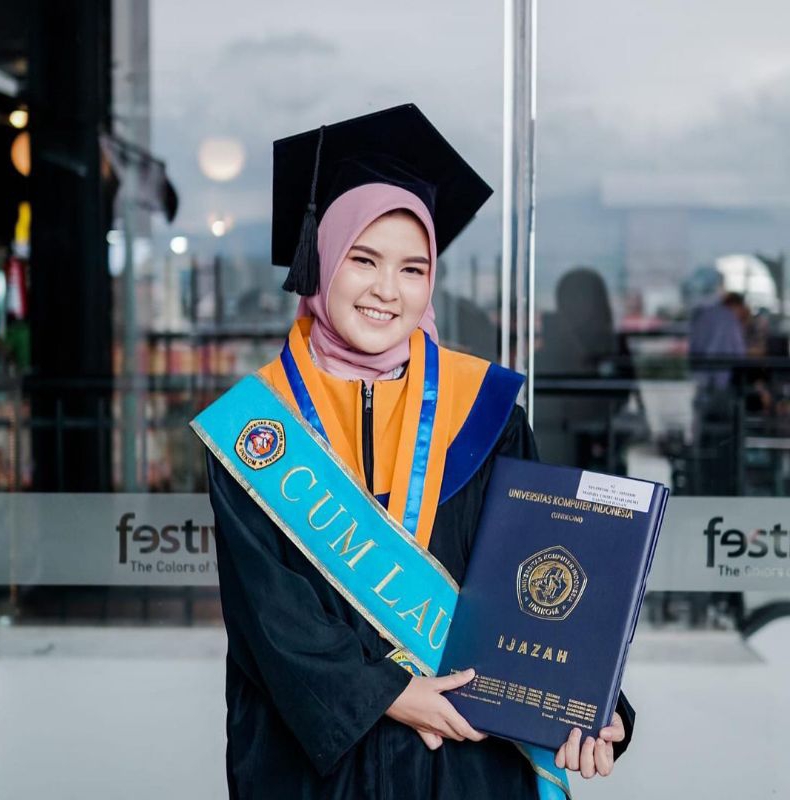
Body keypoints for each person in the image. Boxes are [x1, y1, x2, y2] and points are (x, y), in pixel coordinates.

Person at [197, 105, 634, 799]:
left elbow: (543, 571)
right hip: (321, 766)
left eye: (413, 268)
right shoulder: (259, 426)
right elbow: (268, 615)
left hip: (465, 761)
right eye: (363, 261)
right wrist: (388, 694)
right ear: (322, 262)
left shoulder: (485, 409)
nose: (387, 291)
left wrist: (590, 704)